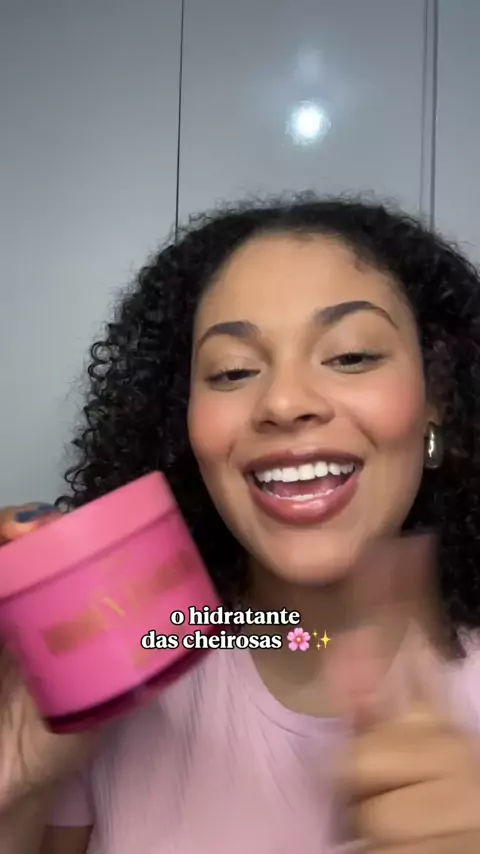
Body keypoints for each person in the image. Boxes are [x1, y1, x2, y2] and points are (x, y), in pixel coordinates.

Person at [1, 194, 480, 854]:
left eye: (350, 356)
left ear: (437, 401)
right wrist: (14, 790)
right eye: (232, 371)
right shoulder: (120, 685)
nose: (282, 402)